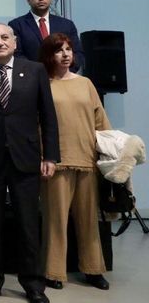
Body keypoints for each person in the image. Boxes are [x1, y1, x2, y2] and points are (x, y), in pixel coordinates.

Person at [0, 24, 59, 303]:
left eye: (5, 37)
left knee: (28, 224)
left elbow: (48, 116)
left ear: (15, 43)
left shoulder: (35, 70)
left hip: (26, 159)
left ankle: (33, 284)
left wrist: (50, 155)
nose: (0, 42)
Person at [38, 33, 111, 291]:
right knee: (55, 220)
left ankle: (93, 269)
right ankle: (53, 271)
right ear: (49, 54)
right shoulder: (42, 84)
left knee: (89, 220)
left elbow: (101, 121)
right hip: (56, 162)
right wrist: (42, 156)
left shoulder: (86, 83)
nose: (66, 54)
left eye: (69, 49)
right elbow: (37, 125)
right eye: (59, 50)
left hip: (87, 159)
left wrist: (110, 155)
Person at [9, 0, 85, 71]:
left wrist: (64, 73)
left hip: (62, 78)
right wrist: (38, 74)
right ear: (28, 0)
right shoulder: (17, 25)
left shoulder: (67, 25)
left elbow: (77, 54)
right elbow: (17, 54)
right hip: (31, 79)